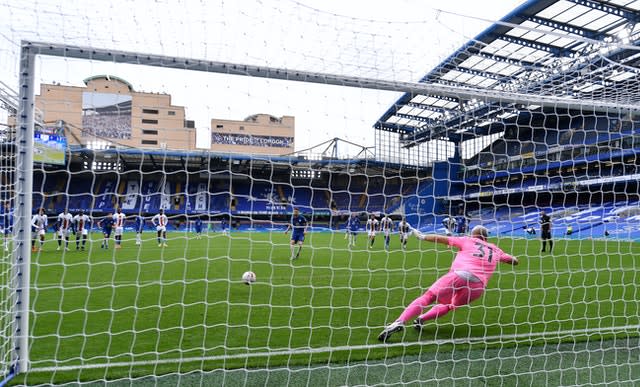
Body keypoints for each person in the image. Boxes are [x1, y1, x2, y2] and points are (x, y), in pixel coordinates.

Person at [378, 225, 518, 342]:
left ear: (473, 235)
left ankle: (399, 321)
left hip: (459, 274)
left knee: (429, 297)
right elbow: (513, 261)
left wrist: (422, 237)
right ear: (486, 237)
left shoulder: (467, 240)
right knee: (450, 305)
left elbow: (442, 239)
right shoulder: (495, 249)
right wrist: (512, 258)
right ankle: (421, 319)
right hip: (478, 286)